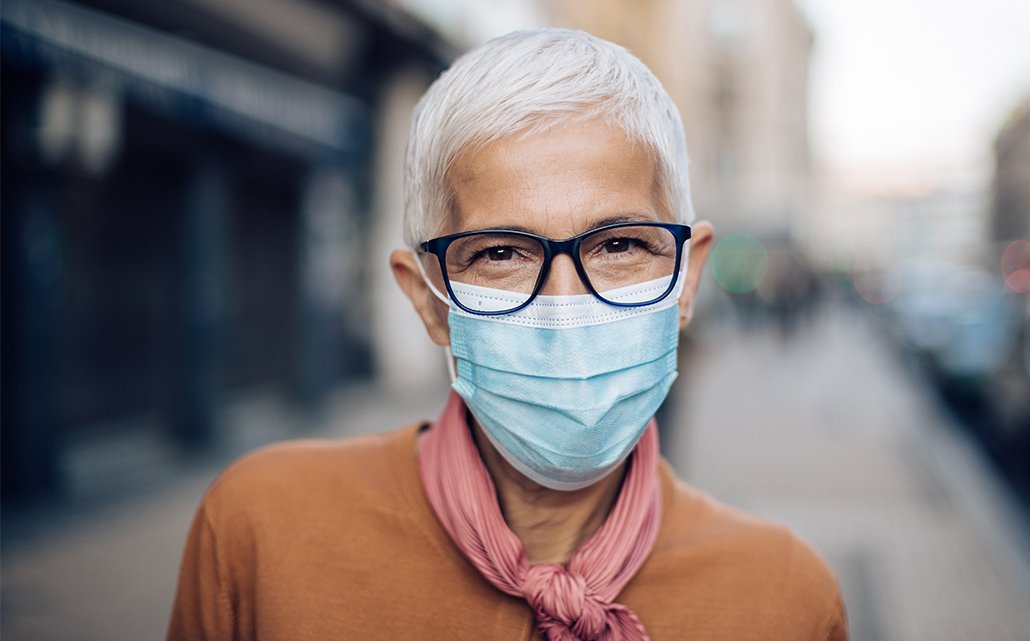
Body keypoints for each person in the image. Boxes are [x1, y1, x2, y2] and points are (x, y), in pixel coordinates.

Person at [167, 28, 847, 641]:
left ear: (687, 279)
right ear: (428, 300)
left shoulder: (782, 599)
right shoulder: (264, 533)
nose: (565, 307)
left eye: (619, 245)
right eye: (500, 253)